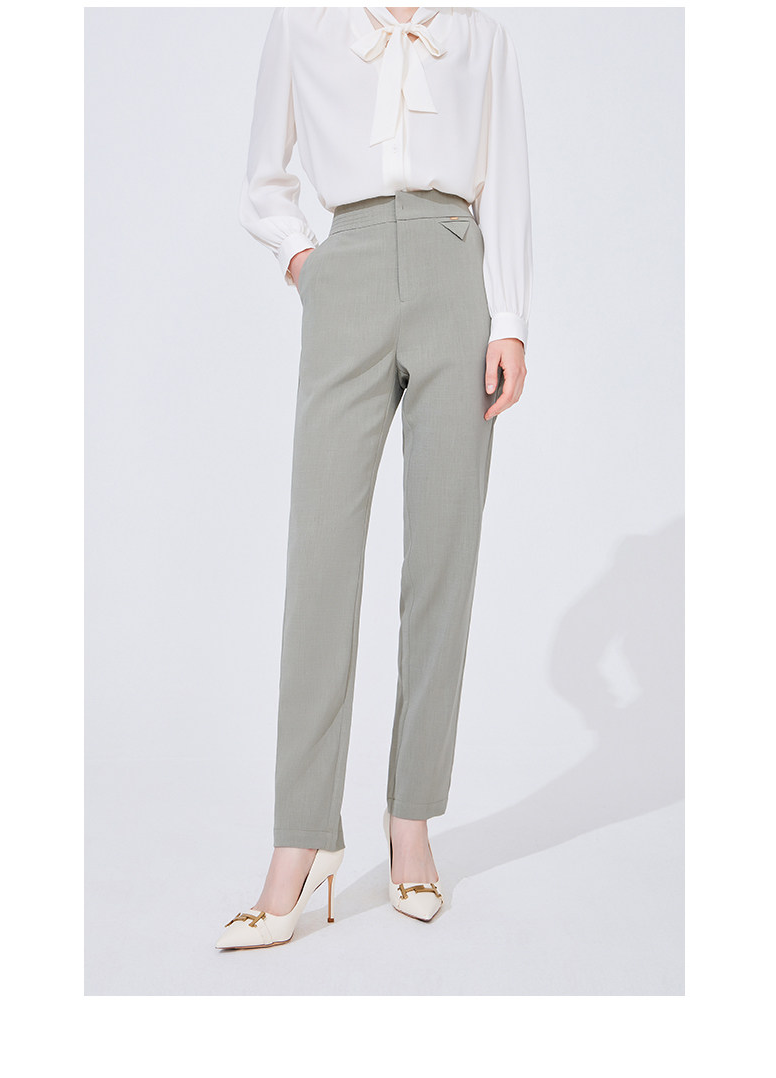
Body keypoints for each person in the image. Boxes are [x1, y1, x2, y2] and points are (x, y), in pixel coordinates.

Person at [216, 5, 533, 950]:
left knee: (443, 559)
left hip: (455, 274)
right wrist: (303, 260)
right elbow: (264, 176)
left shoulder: (479, 33)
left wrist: (510, 318)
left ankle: (411, 826)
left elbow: (507, 182)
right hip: (346, 269)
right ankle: (302, 839)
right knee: (319, 560)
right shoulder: (303, 24)